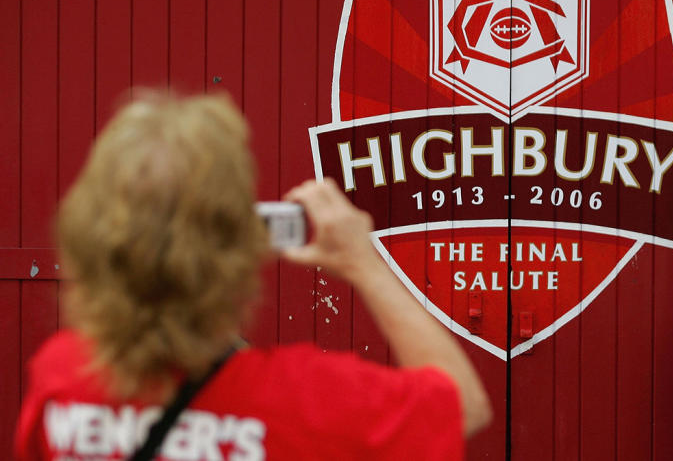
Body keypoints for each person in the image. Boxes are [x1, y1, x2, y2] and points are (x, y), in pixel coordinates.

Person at [15, 91, 492, 460]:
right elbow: (463, 405)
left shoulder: (62, 379)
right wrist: (365, 263)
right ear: (240, 247)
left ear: (88, 238)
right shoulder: (300, 400)